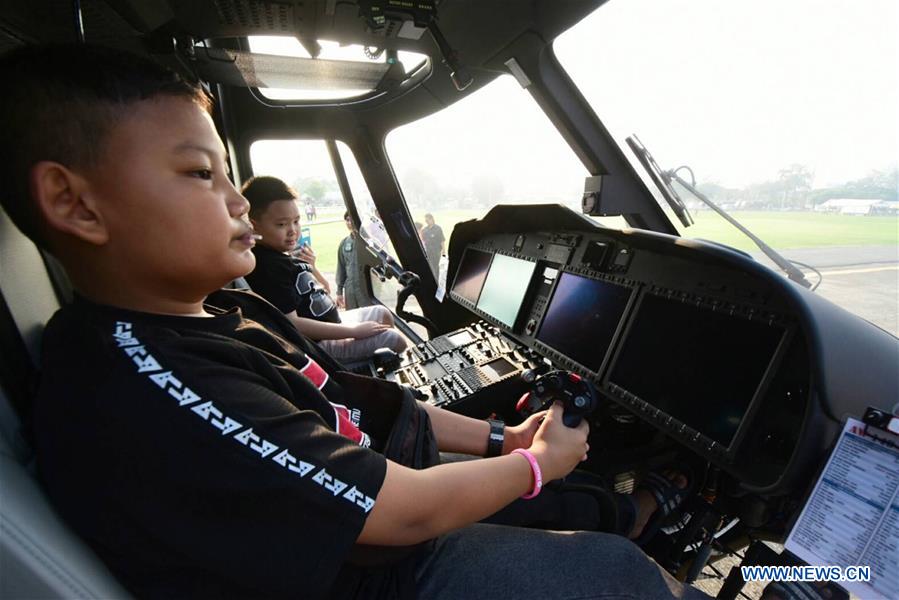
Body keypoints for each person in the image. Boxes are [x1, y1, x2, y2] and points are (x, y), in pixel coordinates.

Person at [0, 43, 708, 600]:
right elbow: (395, 515)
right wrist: (533, 464)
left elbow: (364, 405)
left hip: (359, 538)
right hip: (364, 576)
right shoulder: (150, 383)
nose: (237, 201)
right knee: (608, 571)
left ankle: (630, 508)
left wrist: (503, 438)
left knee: (549, 499)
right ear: (76, 204)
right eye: (198, 174)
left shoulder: (221, 310)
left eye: (226, 172)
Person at [241, 176, 407, 362]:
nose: (293, 231)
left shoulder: (285, 256)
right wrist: (354, 331)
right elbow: (293, 324)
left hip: (332, 321)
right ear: (254, 226)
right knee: (395, 339)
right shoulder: (268, 266)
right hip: (317, 343)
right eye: (281, 224)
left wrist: (312, 267)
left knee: (383, 314)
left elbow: (324, 290)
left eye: (296, 221)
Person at [336, 211, 369, 310]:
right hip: (350, 290)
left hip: (366, 291)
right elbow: (341, 268)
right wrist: (339, 292)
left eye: (352, 220)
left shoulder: (369, 242)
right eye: (347, 220)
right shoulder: (344, 243)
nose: (350, 223)